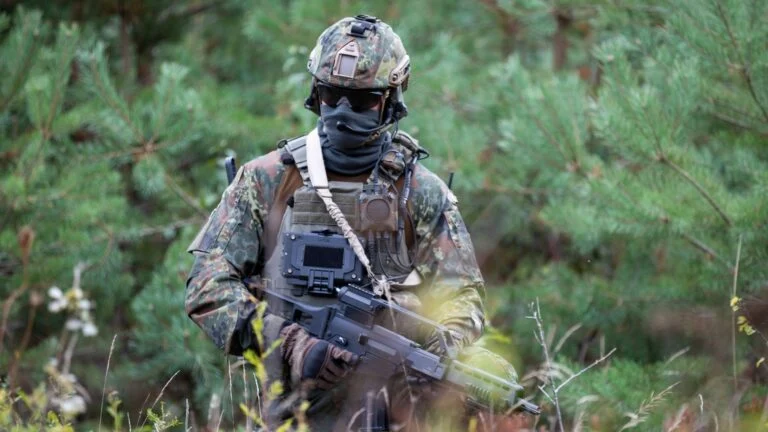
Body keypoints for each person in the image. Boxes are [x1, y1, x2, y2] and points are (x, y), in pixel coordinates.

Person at [185, 14, 520, 431]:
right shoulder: (267, 180)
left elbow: (463, 296)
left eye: (362, 101)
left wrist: (441, 350)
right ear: (316, 93)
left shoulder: (419, 192)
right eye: (332, 94)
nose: (343, 110)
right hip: (292, 416)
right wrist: (289, 343)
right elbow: (207, 288)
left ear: (391, 99)